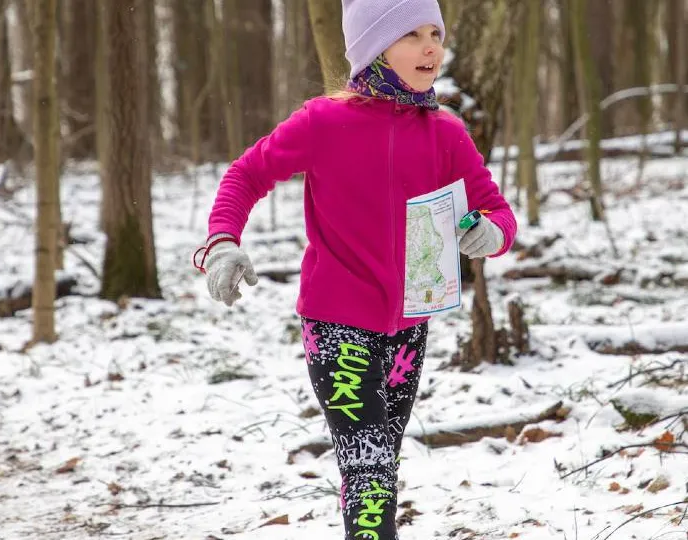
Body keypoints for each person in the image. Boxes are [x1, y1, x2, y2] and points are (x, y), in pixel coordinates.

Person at [192, 1, 517, 537]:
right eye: (411, 34)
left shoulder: (446, 133)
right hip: (337, 323)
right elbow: (245, 174)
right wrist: (223, 242)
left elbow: (497, 211)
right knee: (367, 469)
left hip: (411, 326)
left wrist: (492, 233)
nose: (431, 46)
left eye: (435, 32)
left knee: (381, 462)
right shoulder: (324, 122)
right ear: (374, 47)